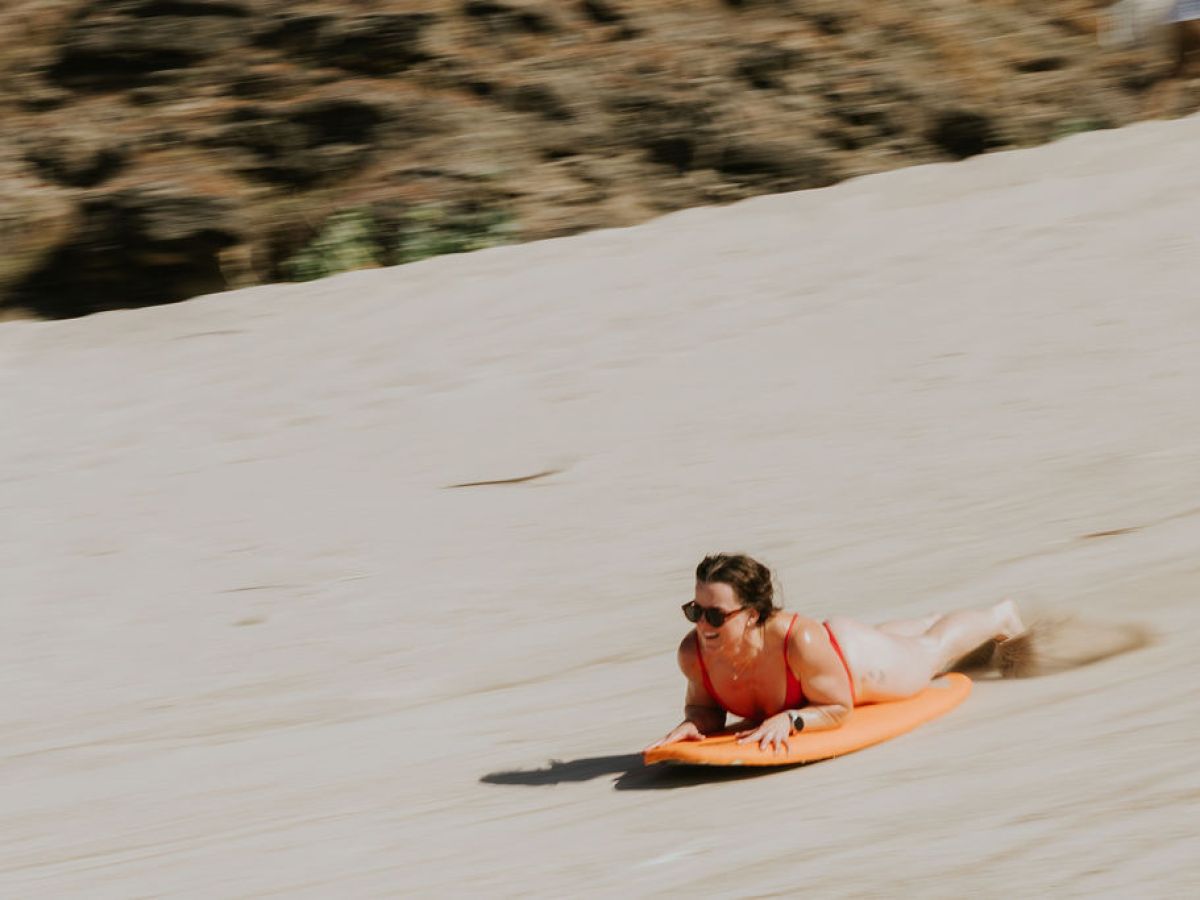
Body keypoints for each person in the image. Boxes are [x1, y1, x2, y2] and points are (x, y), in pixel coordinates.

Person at [645, 553, 1025, 754]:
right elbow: (706, 709)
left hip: (850, 662)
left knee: (930, 653)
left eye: (715, 615)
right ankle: (928, 619)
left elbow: (838, 708)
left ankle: (1000, 615)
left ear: (753, 615)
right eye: (695, 611)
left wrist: (792, 720)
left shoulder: (798, 641)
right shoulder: (694, 654)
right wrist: (691, 725)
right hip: (823, 659)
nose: (703, 625)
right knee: (907, 641)